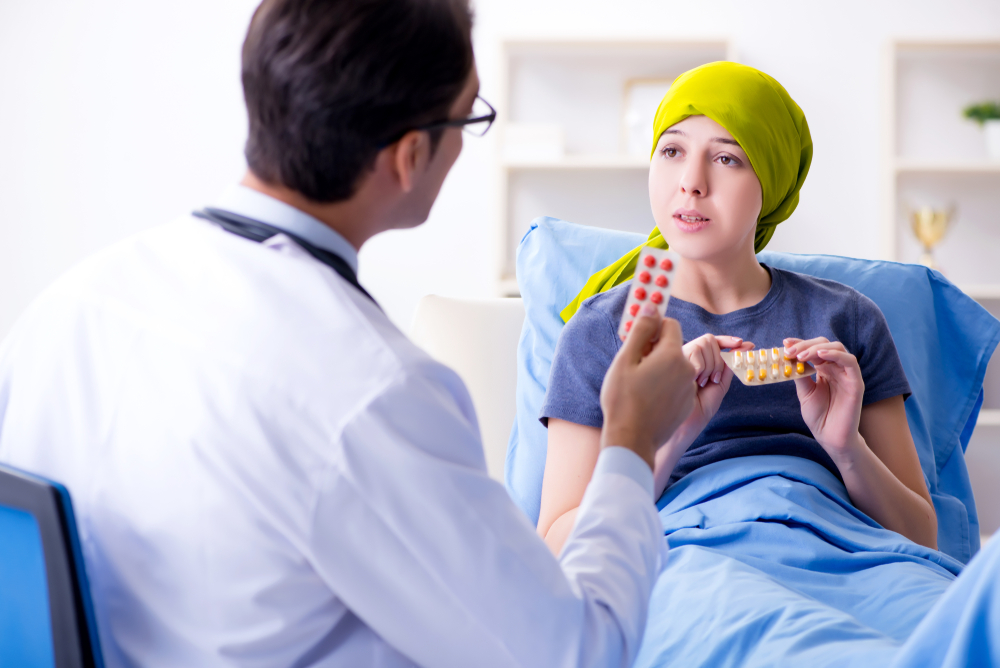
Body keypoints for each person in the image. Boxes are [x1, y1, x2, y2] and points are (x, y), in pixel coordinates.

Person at [0, 1, 699, 666]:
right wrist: (631, 439)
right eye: (469, 118)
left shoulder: (71, 303)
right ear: (409, 156)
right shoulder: (372, 392)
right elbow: (578, 652)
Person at [536, 61, 938, 557]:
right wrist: (669, 439)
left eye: (726, 159)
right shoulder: (605, 331)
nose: (691, 182)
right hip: (688, 565)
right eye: (672, 150)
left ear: (772, 182)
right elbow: (557, 544)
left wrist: (845, 447)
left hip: (848, 563)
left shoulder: (848, 320)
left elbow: (922, 538)